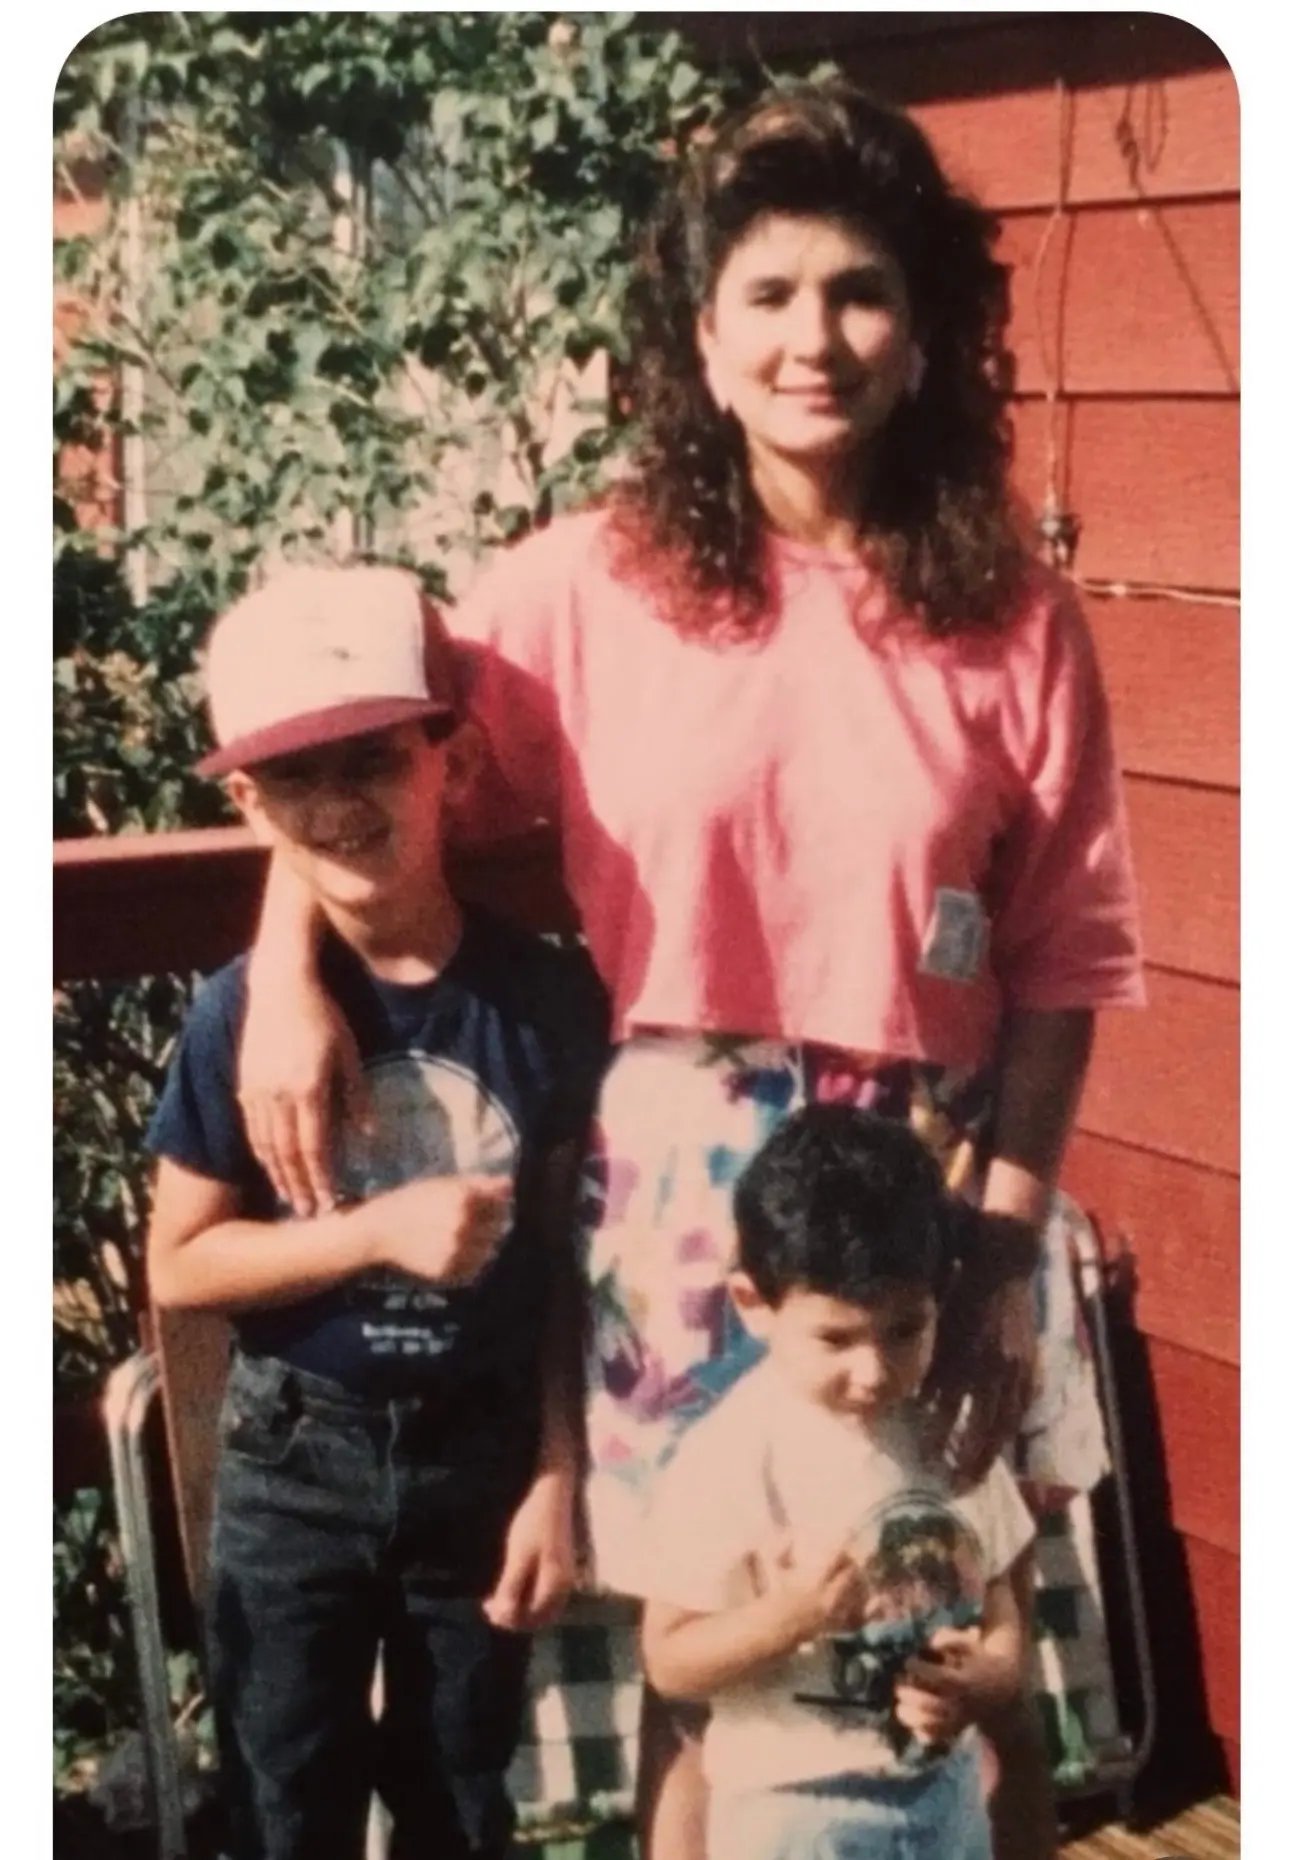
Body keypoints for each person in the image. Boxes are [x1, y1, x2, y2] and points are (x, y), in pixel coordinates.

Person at [234, 82, 1144, 1860]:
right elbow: (358, 763)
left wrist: (1007, 1248)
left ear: (924, 331)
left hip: (936, 1180)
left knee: (981, 1650)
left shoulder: (1016, 617)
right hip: (683, 1193)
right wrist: (284, 964)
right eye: (773, 295)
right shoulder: (589, 584)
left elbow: (1065, 953)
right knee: (711, 1674)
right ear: (704, 343)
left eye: (863, 291)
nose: (820, 336)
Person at [145, 565, 608, 1860]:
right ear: (245, 800)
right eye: (295, 777)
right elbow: (179, 1265)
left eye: (373, 758)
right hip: (300, 1462)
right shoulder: (240, 1015)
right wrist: (373, 1234)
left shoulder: (542, 1000)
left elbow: (568, 1266)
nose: (340, 804)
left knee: (461, 1801)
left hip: (485, 1455)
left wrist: (559, 1473)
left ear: (444, 759)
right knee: (285, 1799)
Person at [641, 1104, 1036, 1860]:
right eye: (835, 1338)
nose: (874, 1372)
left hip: (943, 1792)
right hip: (794, 1812)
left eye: (903, 1331)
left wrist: (986, 1677)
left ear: (940, 1294)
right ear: (753, 1304)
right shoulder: (733, 1456)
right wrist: (787, 1617)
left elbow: (1003, 1603)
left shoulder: (950, 1425)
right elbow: (670, 1660)